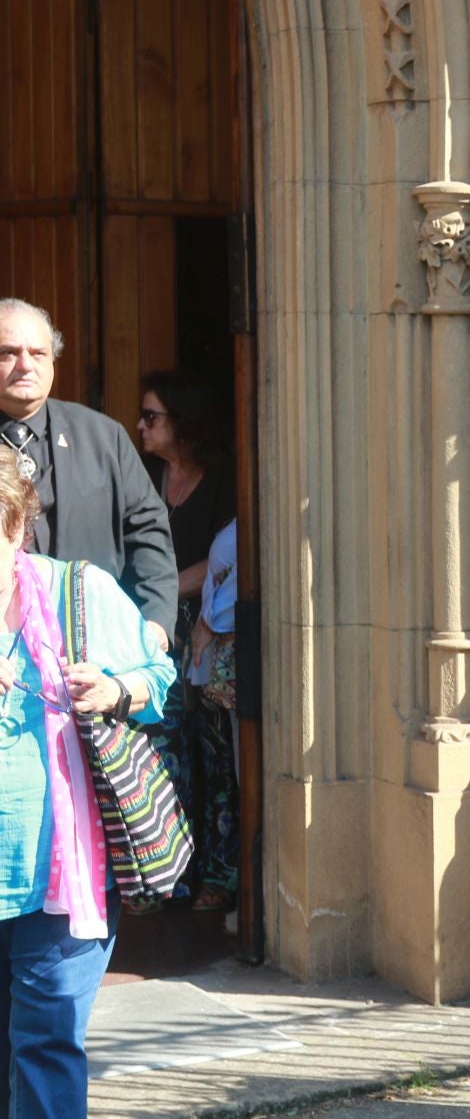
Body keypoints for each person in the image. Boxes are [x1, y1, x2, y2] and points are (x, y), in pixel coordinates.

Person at [0, 448, 176, 1119]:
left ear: (14, 524)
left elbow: (157, 677)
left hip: (56, 878)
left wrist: (115, 686)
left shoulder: (79, 592)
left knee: (46, 1050)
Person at [0, 300, 177, 647]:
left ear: (53, 361)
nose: (25, 365)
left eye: (38, 353)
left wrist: (155, 621)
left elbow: (146, 529)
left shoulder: (102, 437)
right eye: (8, 352)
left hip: (91, 651)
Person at [135, 370, 237, 912]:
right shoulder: (143, 474)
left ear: (184, 422)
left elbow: (231, 557)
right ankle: (168, 873)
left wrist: (165, 587)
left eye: (152, 417)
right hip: (152, 631)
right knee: (163, 752)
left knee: (216, 753)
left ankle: (220, 877)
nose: (141, 427)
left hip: (208, 630)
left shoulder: (222, 479)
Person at [186, 519, 241, 916]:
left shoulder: (257, 524)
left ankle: (227, 878)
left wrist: (208, 622)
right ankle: (215, 873)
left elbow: (243, 577)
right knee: (218, 774)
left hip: (230, 668)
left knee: (229, 777)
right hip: (216, 671)